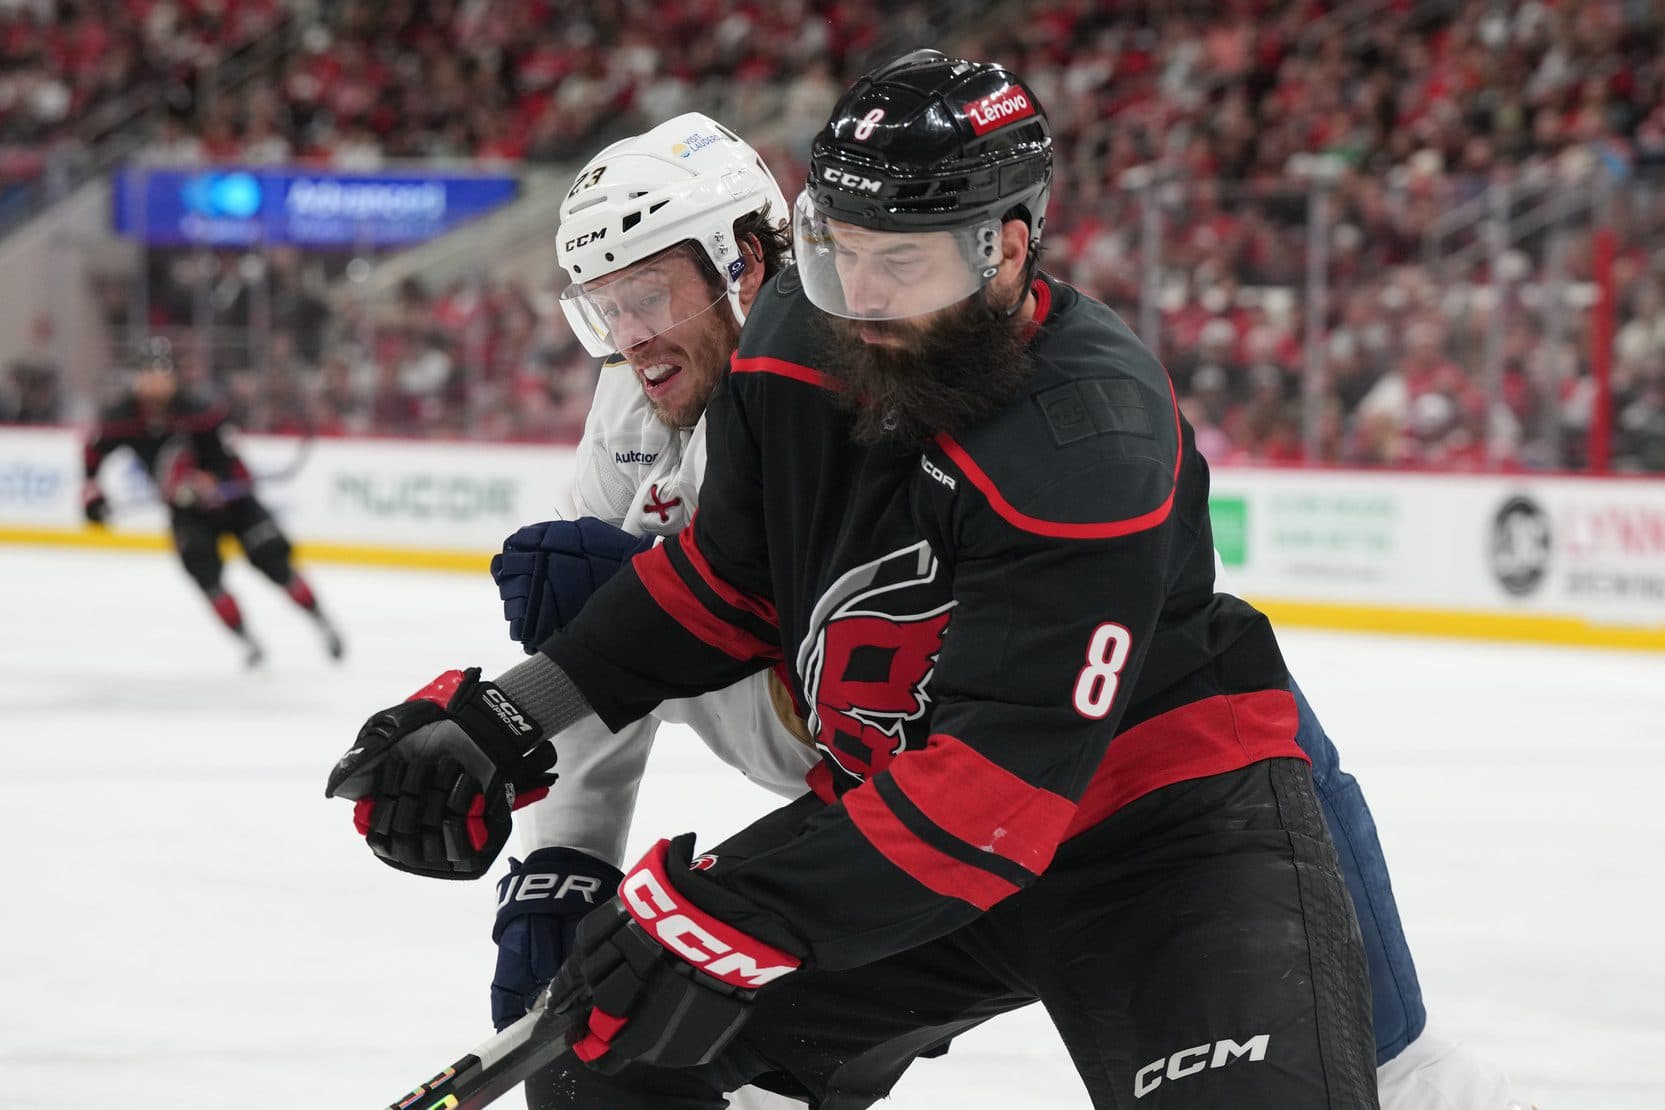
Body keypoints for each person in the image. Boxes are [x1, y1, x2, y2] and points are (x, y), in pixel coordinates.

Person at [329, 50, 1381, 1108]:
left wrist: (732, 915)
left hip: (1153, 838)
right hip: (899, 837)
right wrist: (513, 719)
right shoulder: (793, 334)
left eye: (901, 265)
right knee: (618, 1064)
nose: (860, 301)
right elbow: (720, 588)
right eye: (841, 253)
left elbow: (998, 790)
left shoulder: (1088, 437)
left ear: (1006, 249)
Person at [482, 112, 820, 1110]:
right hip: (851, 799)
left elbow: (814, 656)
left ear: (745, 261)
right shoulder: (636, 395)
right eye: (604, 306)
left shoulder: (833, 379)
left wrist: (636, 582)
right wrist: (565, 860)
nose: (629, 338)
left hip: (952, 799)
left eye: (647, 295)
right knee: (621, 1067)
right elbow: (583, 646)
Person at [83, 343, 343, 666]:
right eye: (146, 375)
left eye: (161, 375)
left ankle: (320, 620)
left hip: (235, 505)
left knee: (274, 561)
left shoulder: (200, 410)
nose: (154, 383)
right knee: (205, 575)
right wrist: (93, 495)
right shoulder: (120, 418)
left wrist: (213, 483)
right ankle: (248, 641)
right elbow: (93, 455)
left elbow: (234, 464)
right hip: (187, 512)